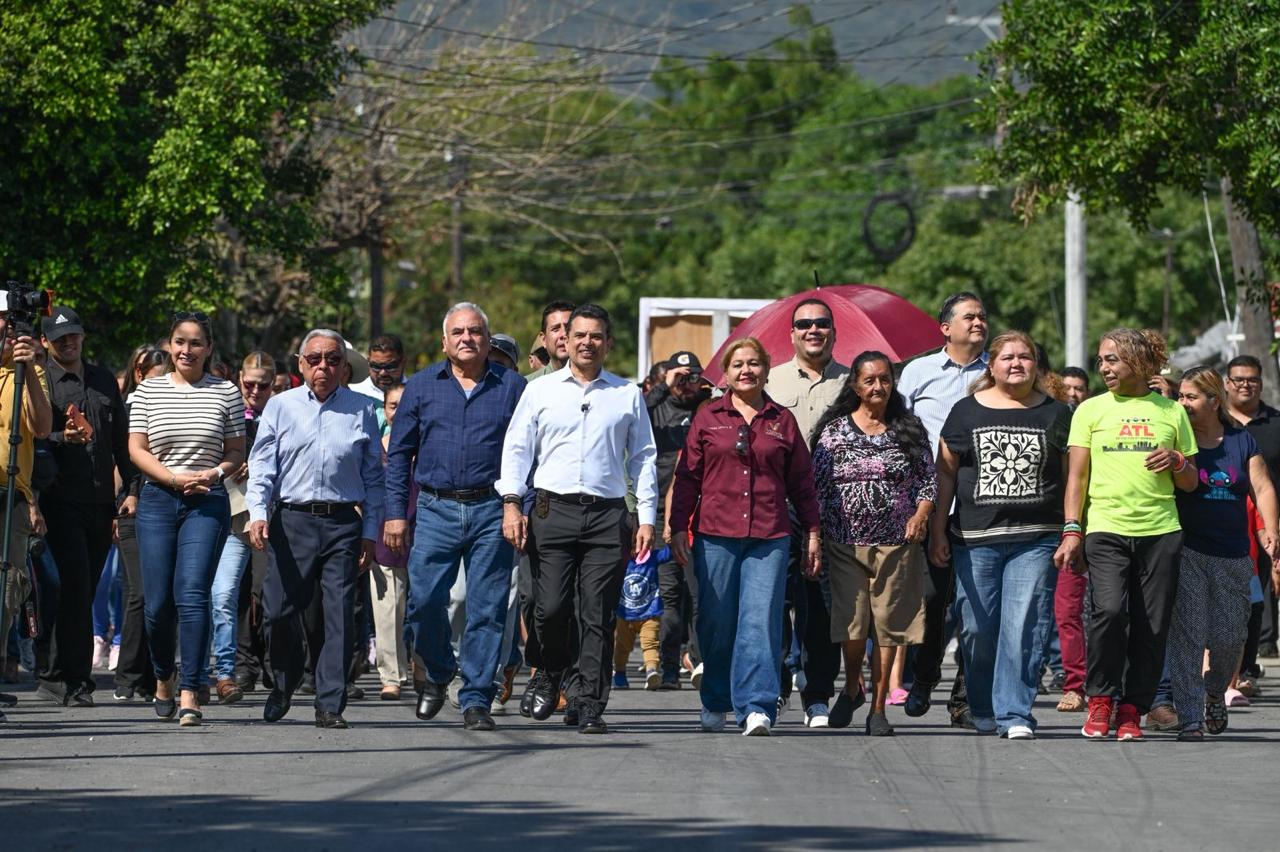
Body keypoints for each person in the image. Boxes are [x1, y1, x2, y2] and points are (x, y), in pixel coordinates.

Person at [497, 303, 657, 734]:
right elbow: (517, 449)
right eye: (579, 335)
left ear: (608, 343)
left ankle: (588, 702)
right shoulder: (541, 391)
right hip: (552, 510)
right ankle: (549, 670)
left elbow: (643, 457)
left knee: (596, 614)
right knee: (549, 607)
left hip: (607, 516)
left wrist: (646, 517)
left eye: (596, 336)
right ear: (565, 341)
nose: (587, 343)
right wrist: (511, 502)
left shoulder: (625, 394)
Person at [383, 303, 525, 731]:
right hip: (435, 508)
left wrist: (518, 505)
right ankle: (440, 669)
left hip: (492, 509)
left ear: (487, 339)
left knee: (487, 609)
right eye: (458, 332)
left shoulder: (512, 387)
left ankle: (477, 697)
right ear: (443, 342)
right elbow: (399, 455)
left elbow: (527, 452)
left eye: (475, 331)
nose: (467, 338)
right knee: (424, 602)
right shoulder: (422, 386)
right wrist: (395, 514)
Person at [668, 337, 820, 736]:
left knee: (761, 621)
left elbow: (802, 483)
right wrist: (678, 526)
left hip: (770, 536)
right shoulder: (708, 417)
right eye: (738, 364)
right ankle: (716, 699)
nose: (746, 370)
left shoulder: (781, 420)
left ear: (766, 370)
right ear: (726, 374)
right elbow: (687, 478)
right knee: (717, 623)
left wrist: (813, 532)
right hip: (715, 535)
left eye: (754, 363)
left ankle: (757, 706)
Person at [1054, 328, 1198, 741]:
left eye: (1112, 359)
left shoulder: (1171, 412)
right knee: (1110, 612)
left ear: (1137, 361)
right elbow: (1077, 478)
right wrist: (1072, 530)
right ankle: (1101, 699)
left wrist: (1176, 461)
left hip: (1161, 531)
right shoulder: (1090, 410)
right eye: (1101, 360)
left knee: (1152, 626)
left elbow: (1190, 481)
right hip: (1106, 528)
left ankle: (1133, 708)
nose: (1104, 367)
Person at [930, 332, 1072, 739]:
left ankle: (1015, 713)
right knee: (977, 629)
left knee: (1024, 626)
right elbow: (945, 474)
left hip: (1038, 537)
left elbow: (1072, 477)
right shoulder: (966, 411)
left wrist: (1072, 530)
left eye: (1025, 357)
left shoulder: (1058, 413)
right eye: (1007, 357)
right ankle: (982, 705)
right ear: (991, 366)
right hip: (975, 539)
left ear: (1036, 366)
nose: (1016, 363)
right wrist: (938, 529)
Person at [246, 329, 383, 729]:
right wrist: (258, 512)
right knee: (278, 611)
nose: (324, 366)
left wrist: (370, 531)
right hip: (292, 520)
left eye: (333, 359)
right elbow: (262, 466)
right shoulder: (280, 406)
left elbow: (374, 477)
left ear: (344, 367)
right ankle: (284, 682)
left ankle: (330, 703)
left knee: (339, 615)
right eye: (315, 359)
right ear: (301, 364)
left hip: (342, 522)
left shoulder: (362, 409)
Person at [128, 312, 246, 726]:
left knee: (192, 595)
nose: (187, 350)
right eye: (180, 341)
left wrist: (214, 474)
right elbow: (137, 449)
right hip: (159, 499)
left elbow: (236, 450)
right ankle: (164, 675)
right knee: (157, 603)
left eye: (196, 343)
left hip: (207, 501)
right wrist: (174, 479)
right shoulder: (148, 390)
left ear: (208, 348)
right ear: (169, 345)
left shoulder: (226, 392)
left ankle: (190, 690)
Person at [811, 350, 935, 737]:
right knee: (852, 626)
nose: (878, 386)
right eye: (869, 380)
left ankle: (878, 709)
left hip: (897, 543)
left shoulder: (908, 429)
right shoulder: (833, 432)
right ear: (855, 386)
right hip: (844, 543)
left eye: (884, 379)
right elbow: (815, 488)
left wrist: (920, 515)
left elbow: (928, 481)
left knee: (887, 627)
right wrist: (813, 536)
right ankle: (853, 686)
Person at [1166, 367, 1279, 740]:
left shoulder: (1241, 440)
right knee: (1188, 636)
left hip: (1233, 554)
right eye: (1181, 396)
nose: (1183, 403)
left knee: (1230, 636)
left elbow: (1262, 487)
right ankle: (1190, 718)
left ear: (1214, 400)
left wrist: (1271, 529)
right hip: (1187, 550)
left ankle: (1215, 691)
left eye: (1191, 396)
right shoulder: (1177, 437)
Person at [33, 306, 137, 707]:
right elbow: (34, 438)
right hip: (59, 501)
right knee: (75, 587)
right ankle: (76, 681)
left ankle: (54, 673)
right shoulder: (40, 381)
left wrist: (130, 489)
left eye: (73, 335)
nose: (68, 342)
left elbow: (120, 440)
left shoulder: (103, 379)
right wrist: (64, 437)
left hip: (102, 501)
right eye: (59, 338)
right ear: (45, 342)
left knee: (85, 588)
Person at [897, 291, 989, 725]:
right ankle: (923, 675)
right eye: (969, 316)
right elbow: (897, 430)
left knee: (977, 607)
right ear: (946, 328)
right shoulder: (919, 372)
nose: (979, 322)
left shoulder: (996, 372)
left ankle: (964, 700)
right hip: (930, 503)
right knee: (932, 602)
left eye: (982, 316)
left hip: (984, 503)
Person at [764, 298, 849, 727]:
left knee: (821, 605)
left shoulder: (853, 382)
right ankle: (775, 685)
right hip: (778, 505)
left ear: (834, 331)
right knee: (774, 600)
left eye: (822, 323)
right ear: (792, 333)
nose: (813, 330)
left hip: (835, 508)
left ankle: (817, 693)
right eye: (804, 324)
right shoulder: (768, 380)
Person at [206, 352, 276, 704]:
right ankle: (233, 668)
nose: (255, 391)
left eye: (263, 385)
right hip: (234, 515)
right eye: (249, 384)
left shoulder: (282, 412)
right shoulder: (227, 408)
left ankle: (272, 664)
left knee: (267, 595)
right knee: (227, 594)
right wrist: (234, 460)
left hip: (269, 517)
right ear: (239, 379)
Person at [646, 350, 712, 689]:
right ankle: (670, 666)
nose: (687, 384)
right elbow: (633, 413)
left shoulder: (707, 408)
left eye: (692, 377)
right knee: (670, 595)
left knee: (700, 594)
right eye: (680, 377)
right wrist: (665, 384)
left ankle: (697, 660)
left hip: (701, 512)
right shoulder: (656, 407)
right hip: (661, 513)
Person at [0, 313, 54, 723]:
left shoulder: (29, 372)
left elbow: (42, 425)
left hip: (11, 498)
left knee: (6, 594)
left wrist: (29, 367)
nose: (7, 332)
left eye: (9, 324)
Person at [111, 347, 169, 702]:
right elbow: (121, 462)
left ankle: (150, 677)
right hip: (132, 508)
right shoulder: (128, 410)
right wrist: (119, 504)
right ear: (139, 374)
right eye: (156, 378)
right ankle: (128, 676)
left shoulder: (172, 410)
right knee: (141, 593)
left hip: (163, 508)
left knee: (160, 595)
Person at [1223, 355, 1280, 667]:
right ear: (1227, 383)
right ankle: (1235, 665)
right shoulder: (1214, 422)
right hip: (1225, 516)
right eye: (1239, 379)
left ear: (1260, 383)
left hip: (1267, 516)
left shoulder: (1276, 423)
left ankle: (1257, 653)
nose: (1246, 385)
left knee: (1262, 588)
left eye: (1252, 379)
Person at [613, 545, 668, 689]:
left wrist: (672, 536)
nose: (638, 547)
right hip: (624, 614)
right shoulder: (619, 558)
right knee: (621, 646)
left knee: (651, 643)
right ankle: (619, 674)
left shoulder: (653, 557)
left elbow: (670, 552)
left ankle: (651, 671)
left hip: (650, 613)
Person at [349, 334, 407, 435]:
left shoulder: (416, 393)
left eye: (390, 366)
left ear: (403, 362)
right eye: (376, 366)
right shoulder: (353, 394)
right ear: (368, 362)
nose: (383, 373)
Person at [525, 300, 574, 379]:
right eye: (555, 329)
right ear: (544, 339)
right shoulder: (528, 384)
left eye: (568, 328)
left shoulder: (594, 382)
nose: (563, 334)